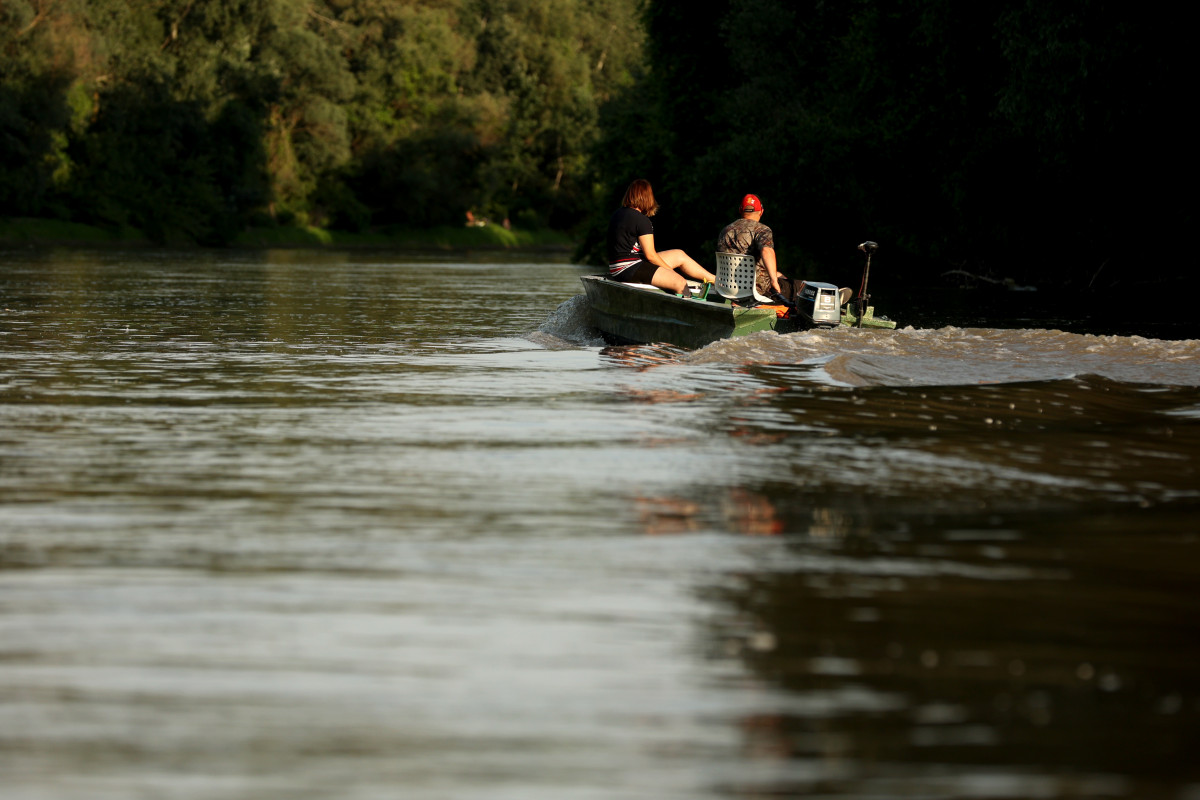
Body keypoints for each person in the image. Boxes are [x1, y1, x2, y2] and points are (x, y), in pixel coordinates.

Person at [717, 194, 851, 306]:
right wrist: (774, 282)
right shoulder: (761, 229)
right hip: (759, 290)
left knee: (780, 275)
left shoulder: (725, 231)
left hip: (728, 288)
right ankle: (830, 298)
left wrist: (776, 276)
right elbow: (767, 251)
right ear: (761, 211)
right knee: (799, 286)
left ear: (740, 210)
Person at [607, 179, 715, 294]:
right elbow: (650, 256)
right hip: (628, 268)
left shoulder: (617, 214)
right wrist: (671, 272)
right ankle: (687, 303)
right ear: (647, 197)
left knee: (679, 255)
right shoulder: (642, 220)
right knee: (680, 282)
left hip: (617, 267)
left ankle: (716, 280)